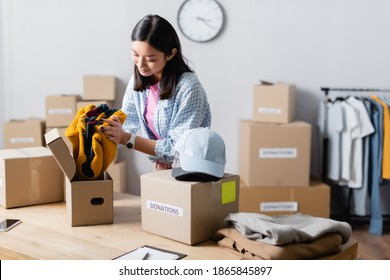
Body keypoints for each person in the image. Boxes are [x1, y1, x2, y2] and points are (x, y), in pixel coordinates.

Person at [101, 14, 211, 170]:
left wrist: (125, 138)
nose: (141, 64)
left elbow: (177, 149)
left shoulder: (189, 87)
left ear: (171, 54)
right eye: (135, 54)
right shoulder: (136, 82)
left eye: (150, 58)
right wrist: (102, 130)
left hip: (192, 170)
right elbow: (126, 123)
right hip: (162, 167)